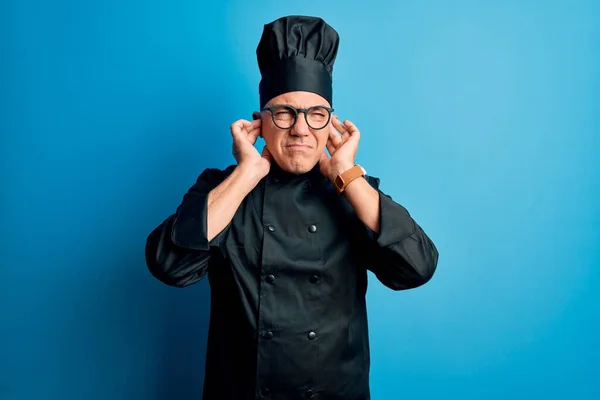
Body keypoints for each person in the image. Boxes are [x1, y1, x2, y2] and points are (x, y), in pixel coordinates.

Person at [145, 15, 439, 400]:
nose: (300, 129)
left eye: (316, 115)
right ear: (260, 123)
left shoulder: (352, 192)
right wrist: (248, 173)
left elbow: (417, 267)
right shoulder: (221, 189)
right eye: (284, 113)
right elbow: (169, 266)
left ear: (331, 126)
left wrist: (348, 174)